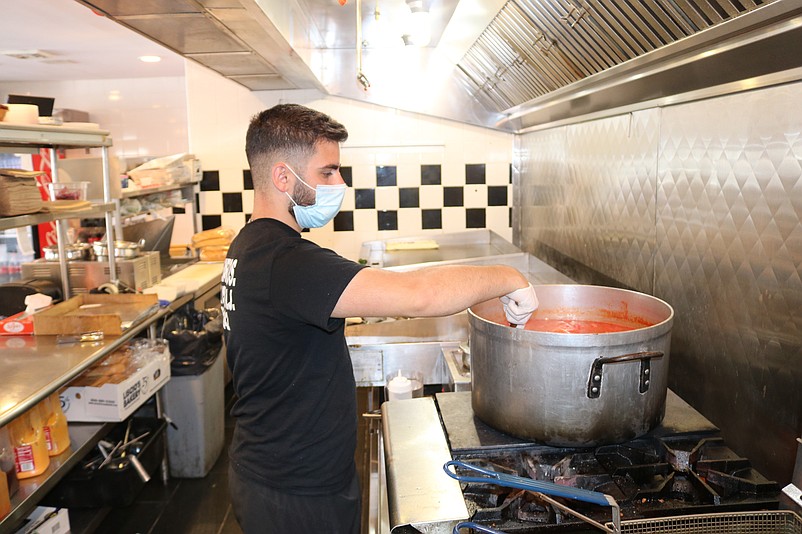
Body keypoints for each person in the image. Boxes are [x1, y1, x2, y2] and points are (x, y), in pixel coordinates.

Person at [221, 103, 538, 534]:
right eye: (328, 172)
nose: (340, 184)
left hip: (276, 470)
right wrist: (507, 277)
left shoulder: (250, 245)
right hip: (295, 492)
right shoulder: (287, 261)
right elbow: (420, 295)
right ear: (282, 177)